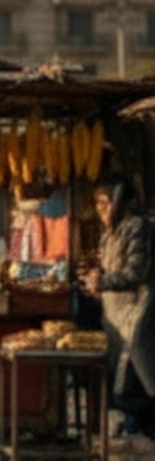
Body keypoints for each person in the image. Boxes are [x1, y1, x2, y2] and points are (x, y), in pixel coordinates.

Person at [80, 177, 155, 437]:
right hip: (115, 321)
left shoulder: (136, 227)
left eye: (105, 202)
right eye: (97, 203)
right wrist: (93, 279)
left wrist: (102, 281)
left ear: (119, 201)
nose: (100, 208)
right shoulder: (110, 233)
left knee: (132, 392)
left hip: (136, 320)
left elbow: (136, 271)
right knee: (121, 392)